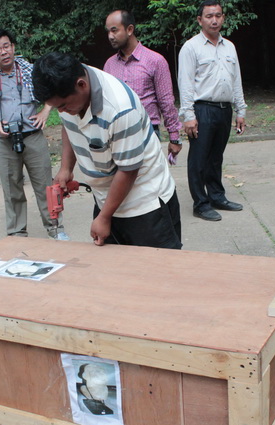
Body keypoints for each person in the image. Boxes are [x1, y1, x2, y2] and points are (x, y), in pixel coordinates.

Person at [32, 52, 182, 249]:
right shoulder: (70, 89)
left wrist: (104, 217)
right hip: (107, 199)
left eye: (63, 106)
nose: (61, 111)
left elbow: (128, 170)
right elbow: (70, 125)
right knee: (112, 265)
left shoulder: (120, 109)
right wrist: (66, 168)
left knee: (157, 265)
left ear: (81, 85)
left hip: (144, 203)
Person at [0, 29, 68, 240]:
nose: (3, 52)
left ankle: (56, 229)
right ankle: (17, 233)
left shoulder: (31, 70)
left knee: (46, 186)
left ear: (13, 47)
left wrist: (45, 111)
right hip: (5, 140)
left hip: (33, 136)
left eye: (6, 46)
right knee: (12, 188)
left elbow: (51, 93)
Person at [177, 0, 246, 222]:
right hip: (202, 109)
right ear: (200, 20)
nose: (214, 20)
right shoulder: (191, 47)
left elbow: (236, 81)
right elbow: (185, 84)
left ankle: (217, 197)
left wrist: (240, 110)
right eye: (209, 16)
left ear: (223, 18)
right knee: (199, 159)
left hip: (224, 109)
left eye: (218, 15)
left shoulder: (230, 47)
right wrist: (189, 116)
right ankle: (201, 203)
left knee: (216, 157)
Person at [103, 9, 182, 160]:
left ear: (129, 29)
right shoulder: (109, 65)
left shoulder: (155, 61)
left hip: (147, 132)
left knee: (150, 174)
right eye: (108, 31)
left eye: (114, 30)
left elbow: (166, 101)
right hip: (117, 135)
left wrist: (174, 137)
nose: (110, 36)